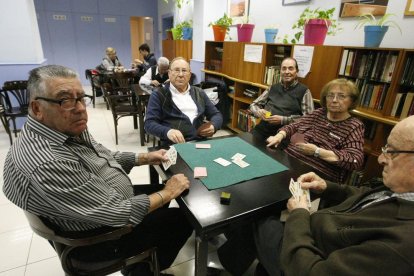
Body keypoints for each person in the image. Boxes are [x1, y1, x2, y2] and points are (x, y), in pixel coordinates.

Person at [2, 65, 193, 276]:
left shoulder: (62, 128)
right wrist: (168, 193)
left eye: (80, 97)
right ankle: (141, 270)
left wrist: (144, 157)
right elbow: (120, 213)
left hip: (101, 201)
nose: (80, 108)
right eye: (64, 100)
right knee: (183, 218)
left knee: (162, 192)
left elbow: (103, 157)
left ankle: (143, 263)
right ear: (37, 108)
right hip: (96, 239)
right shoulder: (47, 162)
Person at [219, 115, 414, 276]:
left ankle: (229, 262)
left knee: (257, 214)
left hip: (302, 256)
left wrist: (300, 215)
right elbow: (366, 196)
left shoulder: (402, 247)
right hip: (312, 226)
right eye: (384, 150)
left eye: (391, 152)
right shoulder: (400, 189)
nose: (380, 159)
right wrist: (327, 187)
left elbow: (309, 270)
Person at [267, 78, 365, 183]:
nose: (334, 100)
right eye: (330, 95)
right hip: (289, 161)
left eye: (341, 96)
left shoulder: (354, 126)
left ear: (352, 100)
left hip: (316, 175)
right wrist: (279, 136)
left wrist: (316, 152)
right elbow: (294, 125)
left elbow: (355, 160)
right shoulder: (318, 113)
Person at [144, 57, 223, 145]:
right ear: (169, 73)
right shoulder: (158, 94)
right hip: (173, 146)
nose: (181, 74)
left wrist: (213, 126)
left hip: (200, 143)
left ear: (189, 75)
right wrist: (168, 132)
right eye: (177, 70)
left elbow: (216, 114)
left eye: (184, 70)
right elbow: (149, 124)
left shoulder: (199, 92)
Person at [250, 57, 314, 142]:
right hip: (263, 128)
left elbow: (309, 119)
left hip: (285, 134)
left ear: (296, 71)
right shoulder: (273, 87)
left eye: (290, 68)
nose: (287, 72)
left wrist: (283, 120)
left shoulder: (304, 91)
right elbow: (253, 105)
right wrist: (259, 112)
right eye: (284, 69)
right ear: (280, 71)